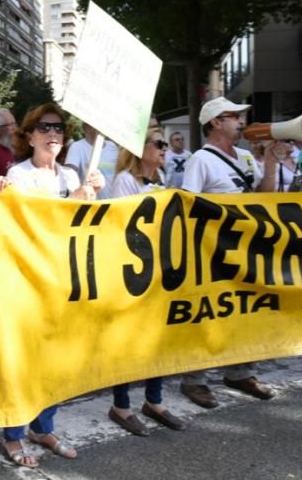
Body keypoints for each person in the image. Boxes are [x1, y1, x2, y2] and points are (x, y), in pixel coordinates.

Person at [0, 103, 102, 467]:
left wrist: (95, 196)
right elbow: (25, 228)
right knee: (25, 363)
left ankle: (44, 427)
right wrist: (72, 201)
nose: (53, 134)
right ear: (29, 136)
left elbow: (86, 229)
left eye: (58, 128)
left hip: (65, 281)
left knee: (58, 362)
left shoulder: (73, 175)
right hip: (29, 283)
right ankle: (13, 434)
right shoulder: (18, 175)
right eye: (44, 127)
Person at [178, 96, 279, 409]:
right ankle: (194, 379)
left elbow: (265, 197)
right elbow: (188, 205)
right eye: (233, 116)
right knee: (207, 313)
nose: (240, 121)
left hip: (245, 248)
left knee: (245, 311)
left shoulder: (247, 157)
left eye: (240, 116)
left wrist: (272, 162)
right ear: (215, 122)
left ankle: (240, 372)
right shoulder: (201, 160)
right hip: (211, 249)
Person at [106, 128, 187, 435]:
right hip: (134, 273)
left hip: (160, 270)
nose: (165, 149)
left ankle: (154, 400)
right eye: (159, 144)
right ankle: (121, 405)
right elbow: (124, 226)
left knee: (158, 339)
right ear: (139, 150)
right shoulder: (126, 181)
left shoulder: (161, 181)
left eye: (166, 143)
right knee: (127, 341)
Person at [64, 122, 119, 199]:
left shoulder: (112, 146)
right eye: (91, 125)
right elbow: (68, 174)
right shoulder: (77, 147)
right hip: (92, 204)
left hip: (115, 202)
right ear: (85, 128)